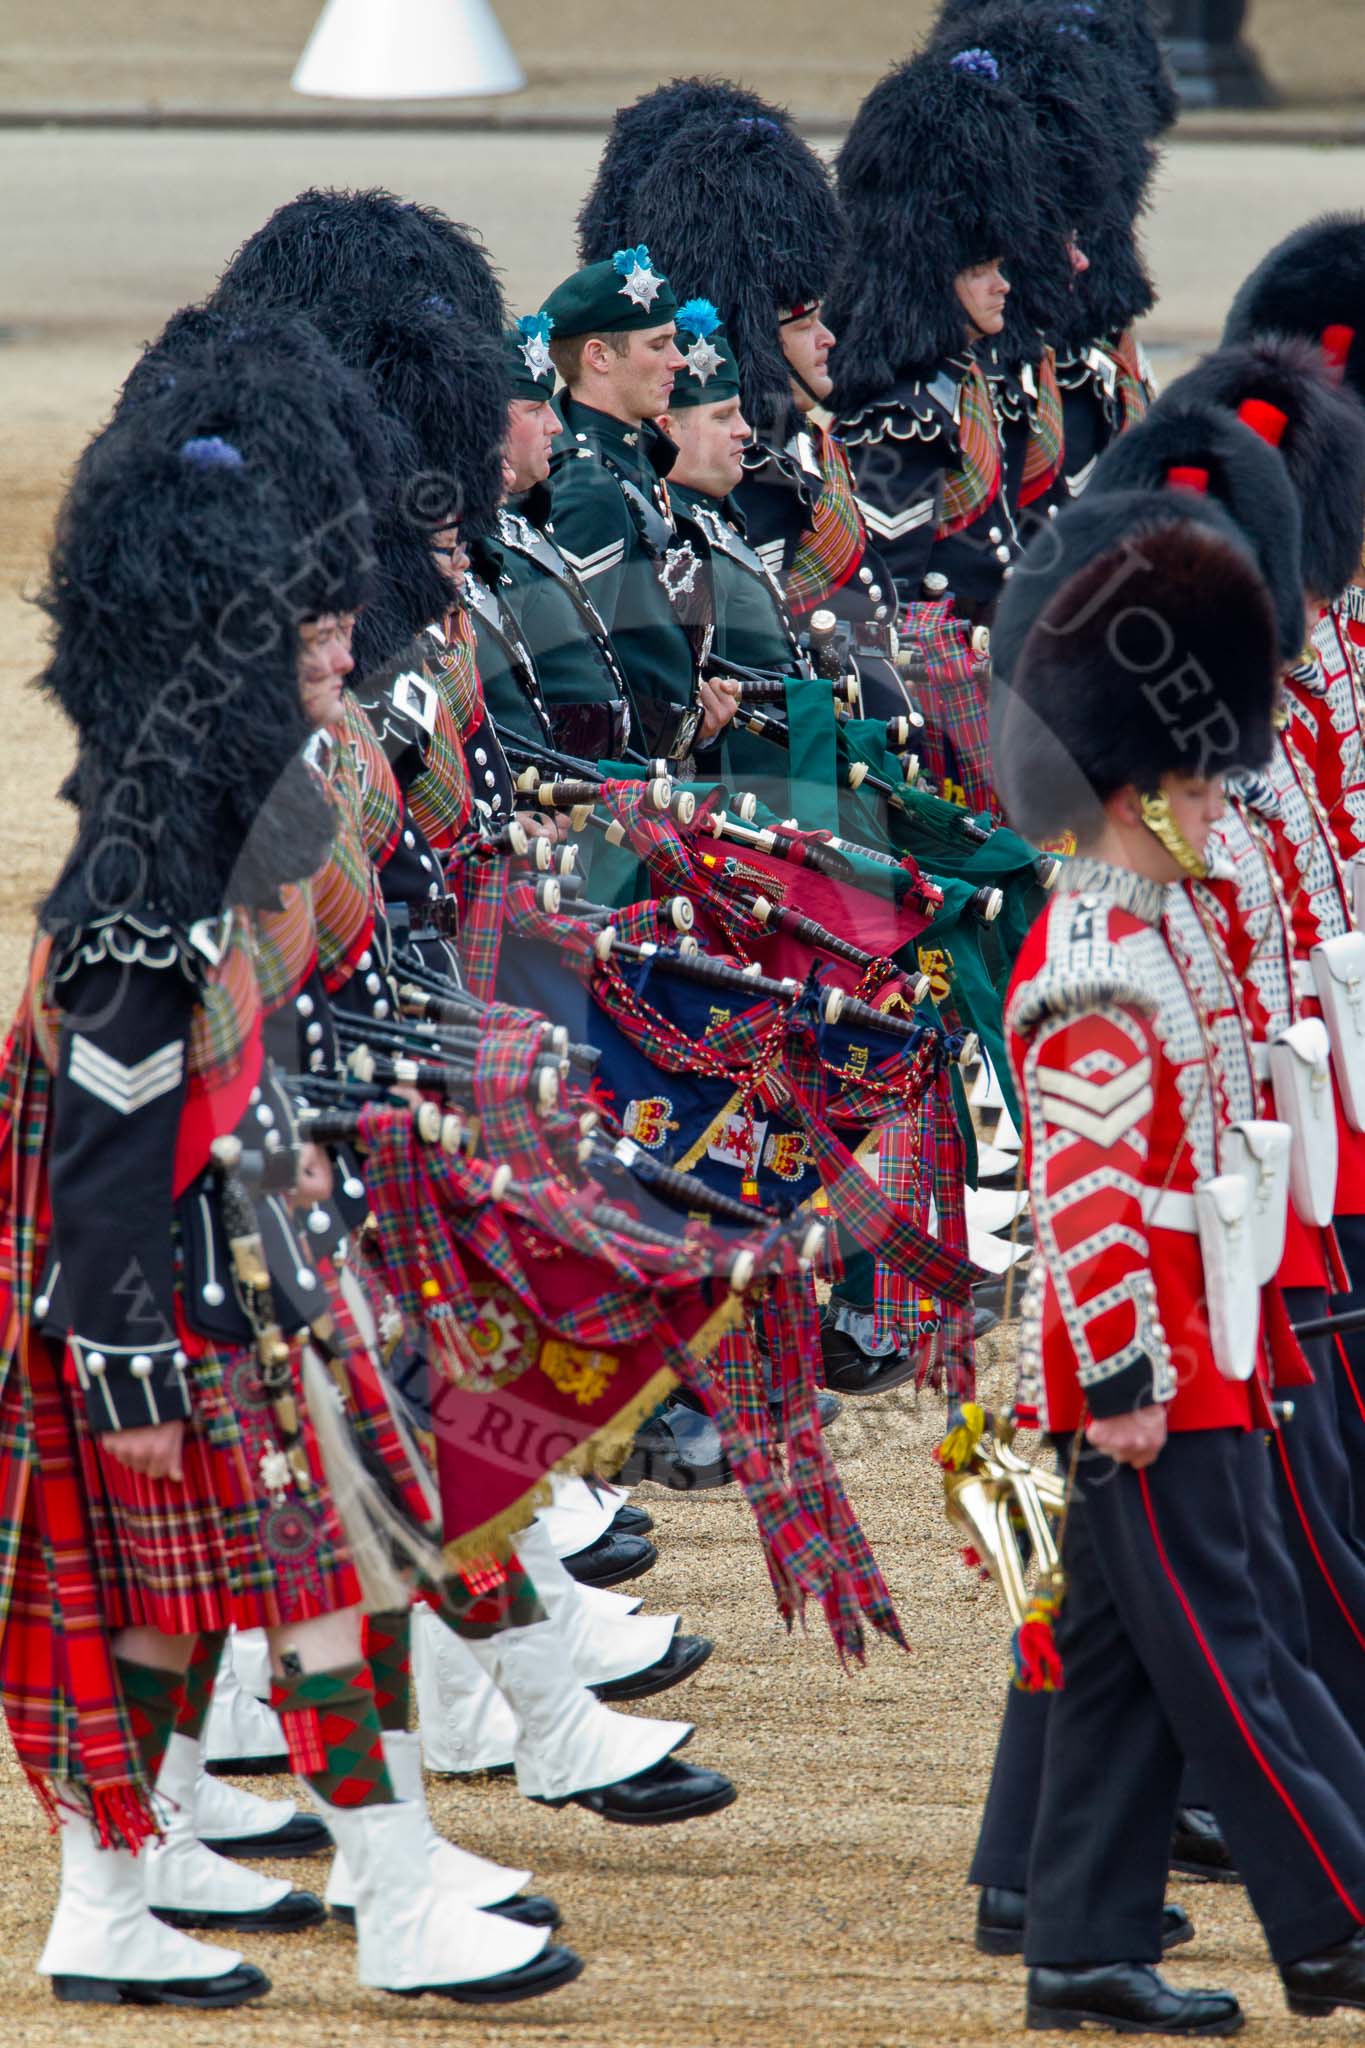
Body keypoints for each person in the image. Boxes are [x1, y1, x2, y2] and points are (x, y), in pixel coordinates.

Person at [8, 349, 582, 2007]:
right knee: (303, 1577)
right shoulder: (140, 872)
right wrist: (127, 1365)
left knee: (226, 1601)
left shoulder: (223, 809)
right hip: (167, 1294)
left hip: (240, 1260)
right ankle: (377, 1886)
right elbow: (106, 1155)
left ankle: (122, 1893)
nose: (341, 646)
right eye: (311, 630)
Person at [989, 484, 1365, 2033]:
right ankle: (1341, 1923)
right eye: (1204, 794)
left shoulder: (1154, 909)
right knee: (1236, 1654)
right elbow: (1083, 1201)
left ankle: (1076, 1942)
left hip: (1199, 1331)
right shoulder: (1100, 955)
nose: (1228, 810)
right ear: (1140, 789)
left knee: (1121, 1667)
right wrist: (1134, 1378)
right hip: (1149, 1356)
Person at [540, 246, 740, 762]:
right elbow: (580, 671)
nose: (678, 359)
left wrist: (695, 715)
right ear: (599, 357)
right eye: (659, 344)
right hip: (619, 793)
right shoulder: (586, 483)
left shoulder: (636, 462)